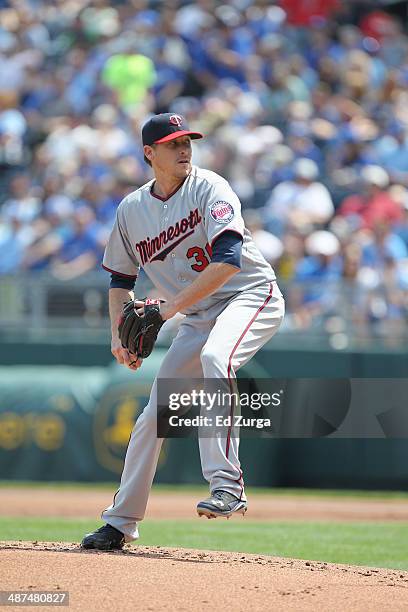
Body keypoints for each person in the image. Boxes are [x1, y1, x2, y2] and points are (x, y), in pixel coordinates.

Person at [81, 113, 285, 551]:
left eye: (187, 141)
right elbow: (120, 278)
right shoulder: (131, 211)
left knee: (217, 358)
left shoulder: (210, 187)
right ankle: (120, 523)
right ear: (149, 154)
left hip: (249, 295)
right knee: (153, 417)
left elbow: (229, 260)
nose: (184, 149)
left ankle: (228, 486)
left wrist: (167, 310)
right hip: (196, 316)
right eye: (173, 144)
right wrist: (119, 334)